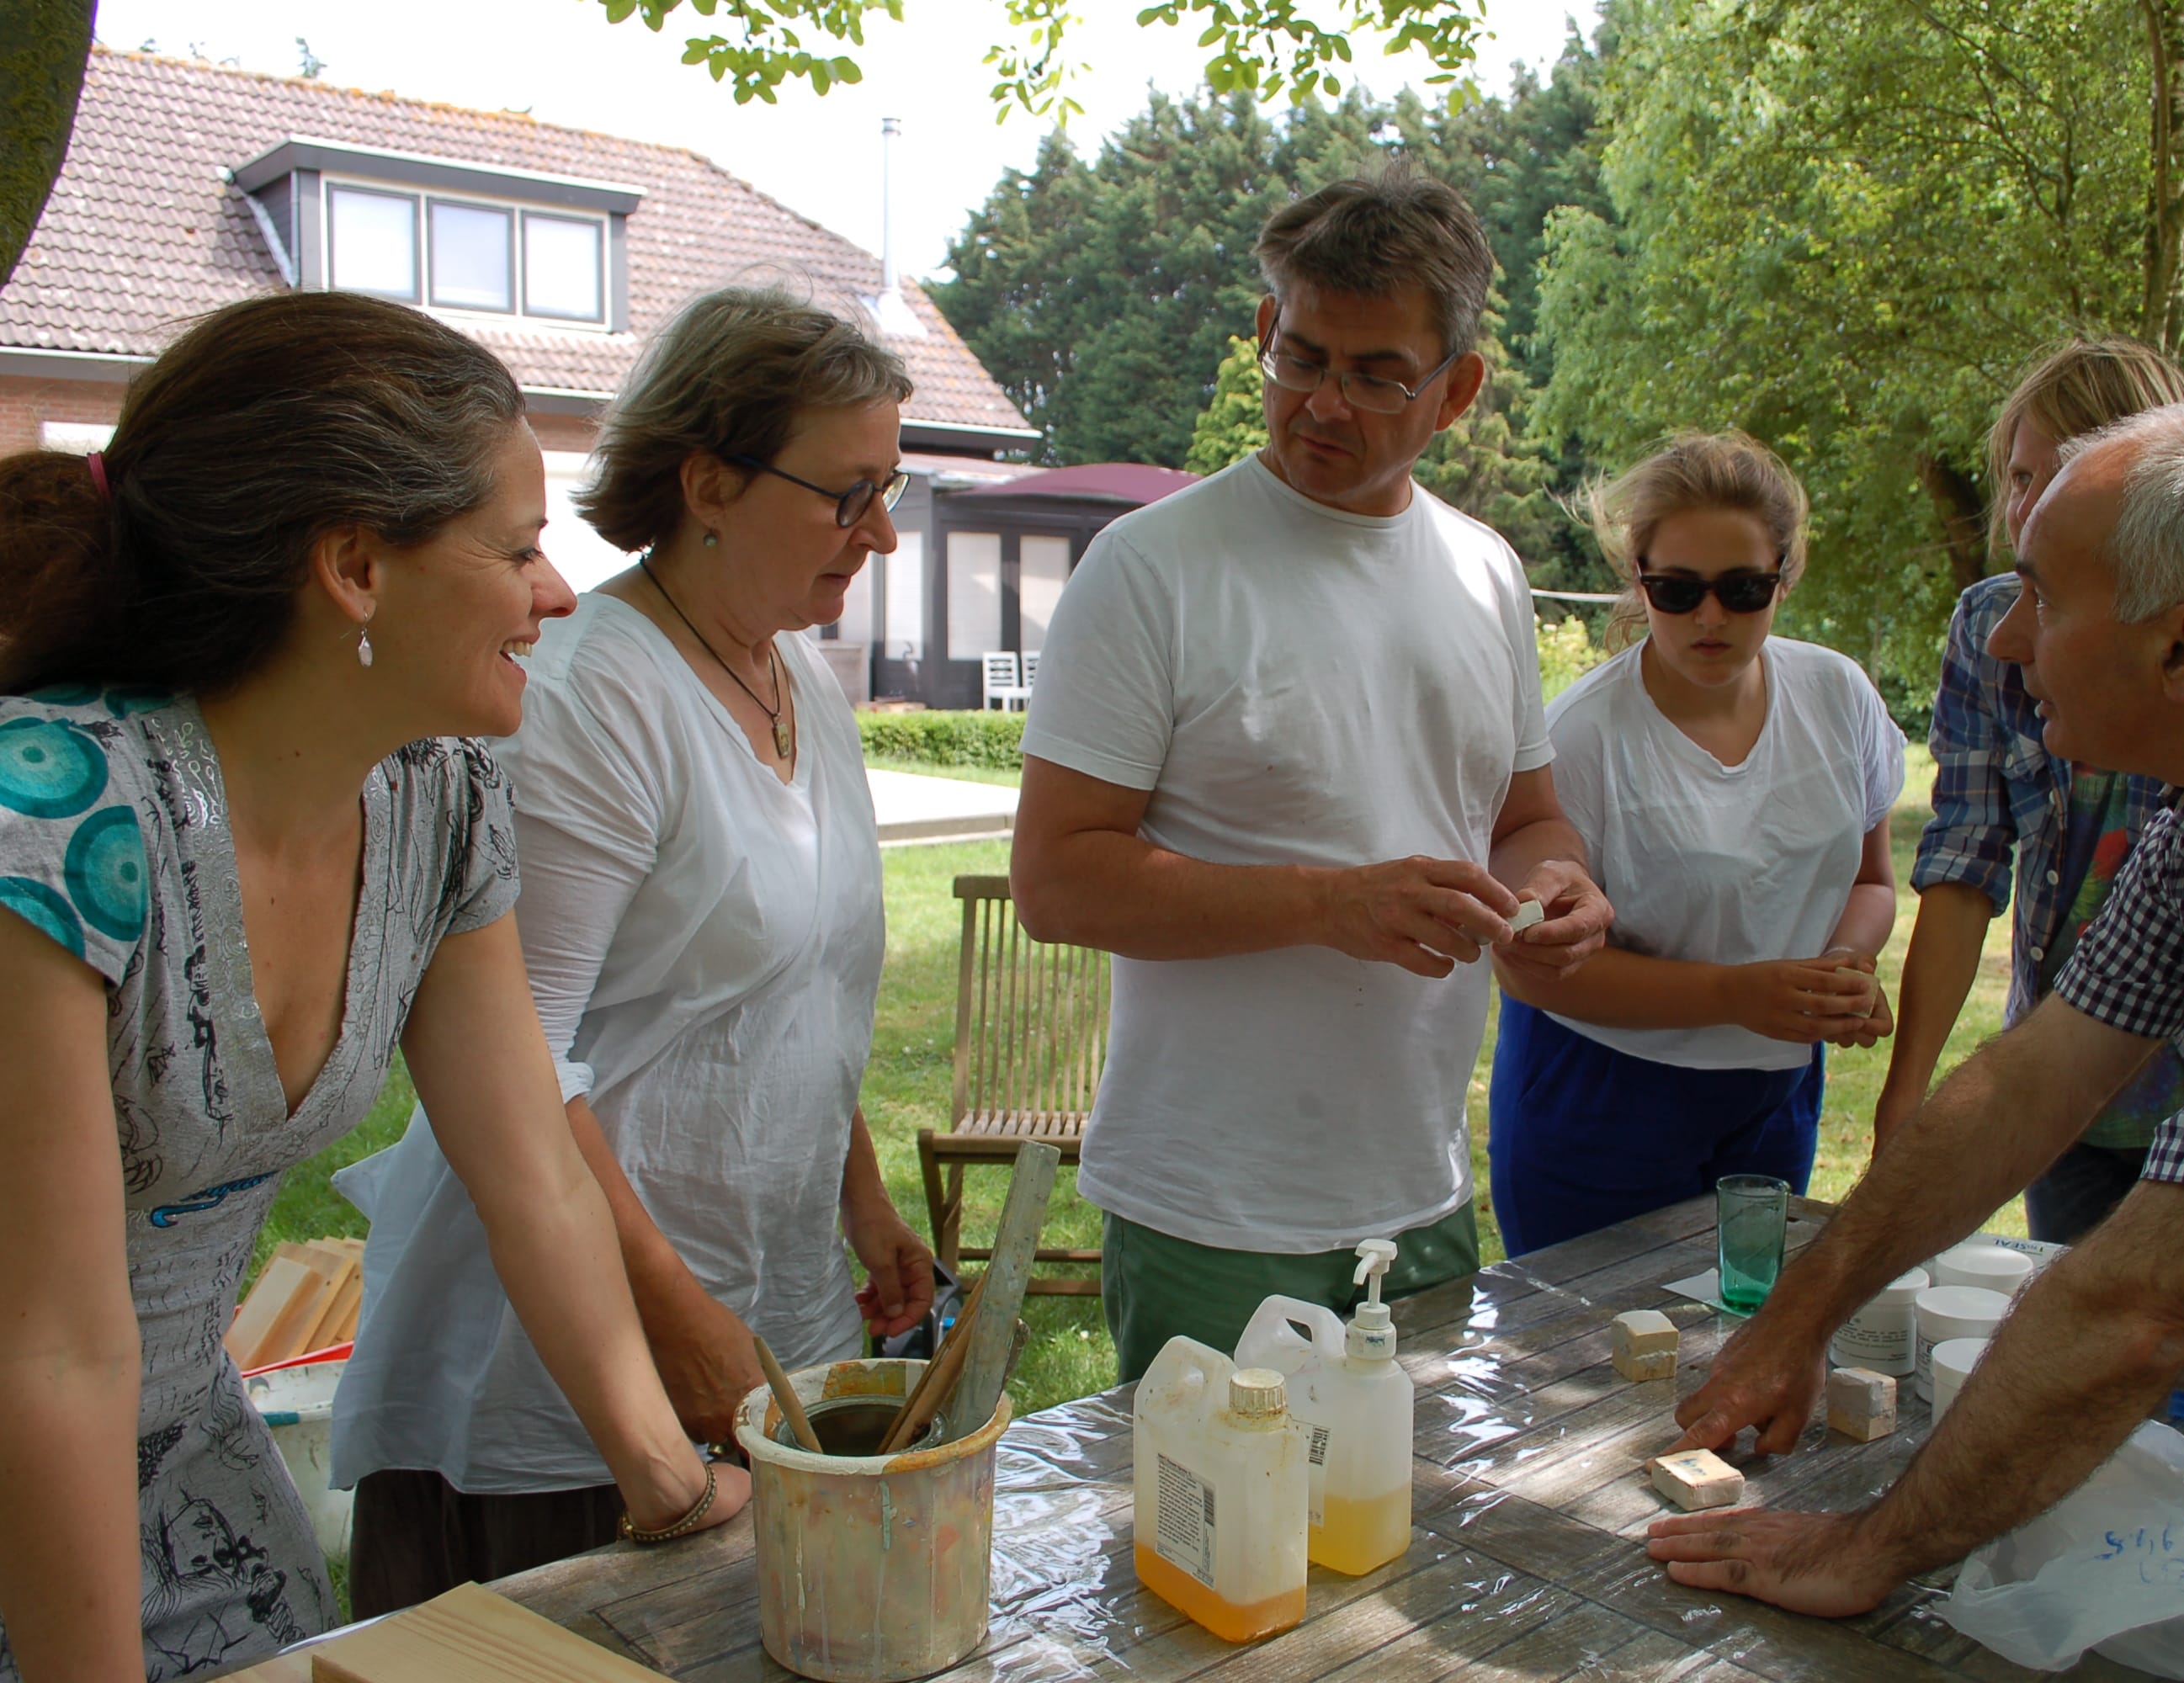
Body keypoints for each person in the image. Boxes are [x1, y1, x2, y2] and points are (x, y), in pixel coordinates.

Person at [1649, 406, 2184, 1683]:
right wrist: (1797, 1320)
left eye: (2043, 599)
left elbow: (2136, 1310)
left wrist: (1869, 1547)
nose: (2006, 640)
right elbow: (2028, 1079)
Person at [0, 292, 747, 1683]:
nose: (556, 593)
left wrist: (671, 1485)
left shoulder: (435, 796)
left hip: (187, 1472)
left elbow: (535, 1176)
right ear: (354, 567)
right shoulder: (48, 819)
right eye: (517, 548)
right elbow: (48, 1353)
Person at [331, 288, 935, 1614]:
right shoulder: (589, 696)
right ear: (709, 481)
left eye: (888, 490)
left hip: (766, 1318)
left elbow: (793, 995)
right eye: (848, 495)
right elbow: (520, 1065)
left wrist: (864, 1202)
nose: (882, 534)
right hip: (565, 1371)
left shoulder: (797, 681)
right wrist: (675, 1320)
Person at [1010, 164, 1615, 1383]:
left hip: (1421, 1192)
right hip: (1214, 1209)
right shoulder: (1151, 569)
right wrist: (1330, 903)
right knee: (1215, 1515)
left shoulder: (1485, 573)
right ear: (1263, 329)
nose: (1323, 403)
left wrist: (1559, 888)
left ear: (1457, 391)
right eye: (1299, 356)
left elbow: (1525, 817)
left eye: (1378, 374)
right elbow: (1058, 880)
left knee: (1412, 1507)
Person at [1485, 433, 1905, 1256]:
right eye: (1676, 590)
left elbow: (1870, 881)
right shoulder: (1582, 736)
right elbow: (1529, 967)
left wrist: (1841, 967)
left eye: (1743, 588)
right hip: (1599, 1096)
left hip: (1773, 1088)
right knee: (1588, 1329)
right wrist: (1734, 995)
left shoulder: (1838, 695)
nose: (1710, 617)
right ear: (1637, 579)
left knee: (1746, 1318)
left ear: (1784, 575)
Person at [1873, 338, 2184, 1243]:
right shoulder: (1991, 629)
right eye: (2020, 476)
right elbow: (1963, 861)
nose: (2029, 507)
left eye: (2063, 476)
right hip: (2061, 1101)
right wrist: (1905, 1099)